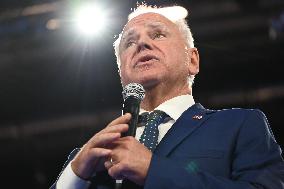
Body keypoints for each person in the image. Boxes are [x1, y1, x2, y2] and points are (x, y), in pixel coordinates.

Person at [51, 4, 284, 189]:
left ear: (192, 60)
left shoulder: (240, 125)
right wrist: (74, 176)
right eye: (129, 42)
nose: (141, 43)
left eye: (158, 34)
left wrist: (153, 172)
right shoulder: (88, 156)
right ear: (121, 72)